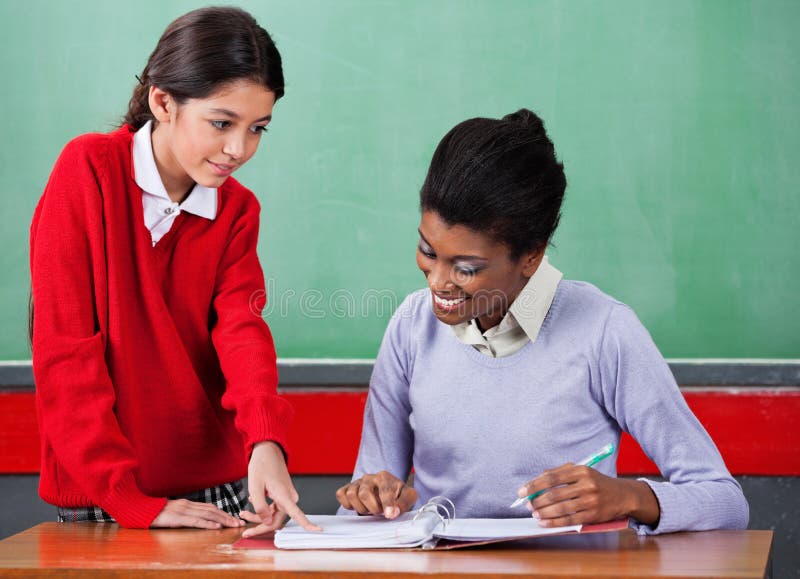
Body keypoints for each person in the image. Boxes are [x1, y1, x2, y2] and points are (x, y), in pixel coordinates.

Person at [336, 109, 749, 534]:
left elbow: (725, 500)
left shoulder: (603, 330)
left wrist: (629, 497)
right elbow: (367, 502)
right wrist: (372, 498)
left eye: (467, 267)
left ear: (531, 256)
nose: (438, 280)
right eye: (427, 250)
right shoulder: (411, 325)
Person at [30, 6, 318, 535]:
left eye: (258, 128)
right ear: (163, 102)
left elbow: (241, 330)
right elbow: (66, 352)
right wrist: (130, 499)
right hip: (108, 492)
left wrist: (265, 441)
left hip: (219, 488)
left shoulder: (236, 210)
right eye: (221, 123)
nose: (240, 149)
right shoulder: (88, 172)